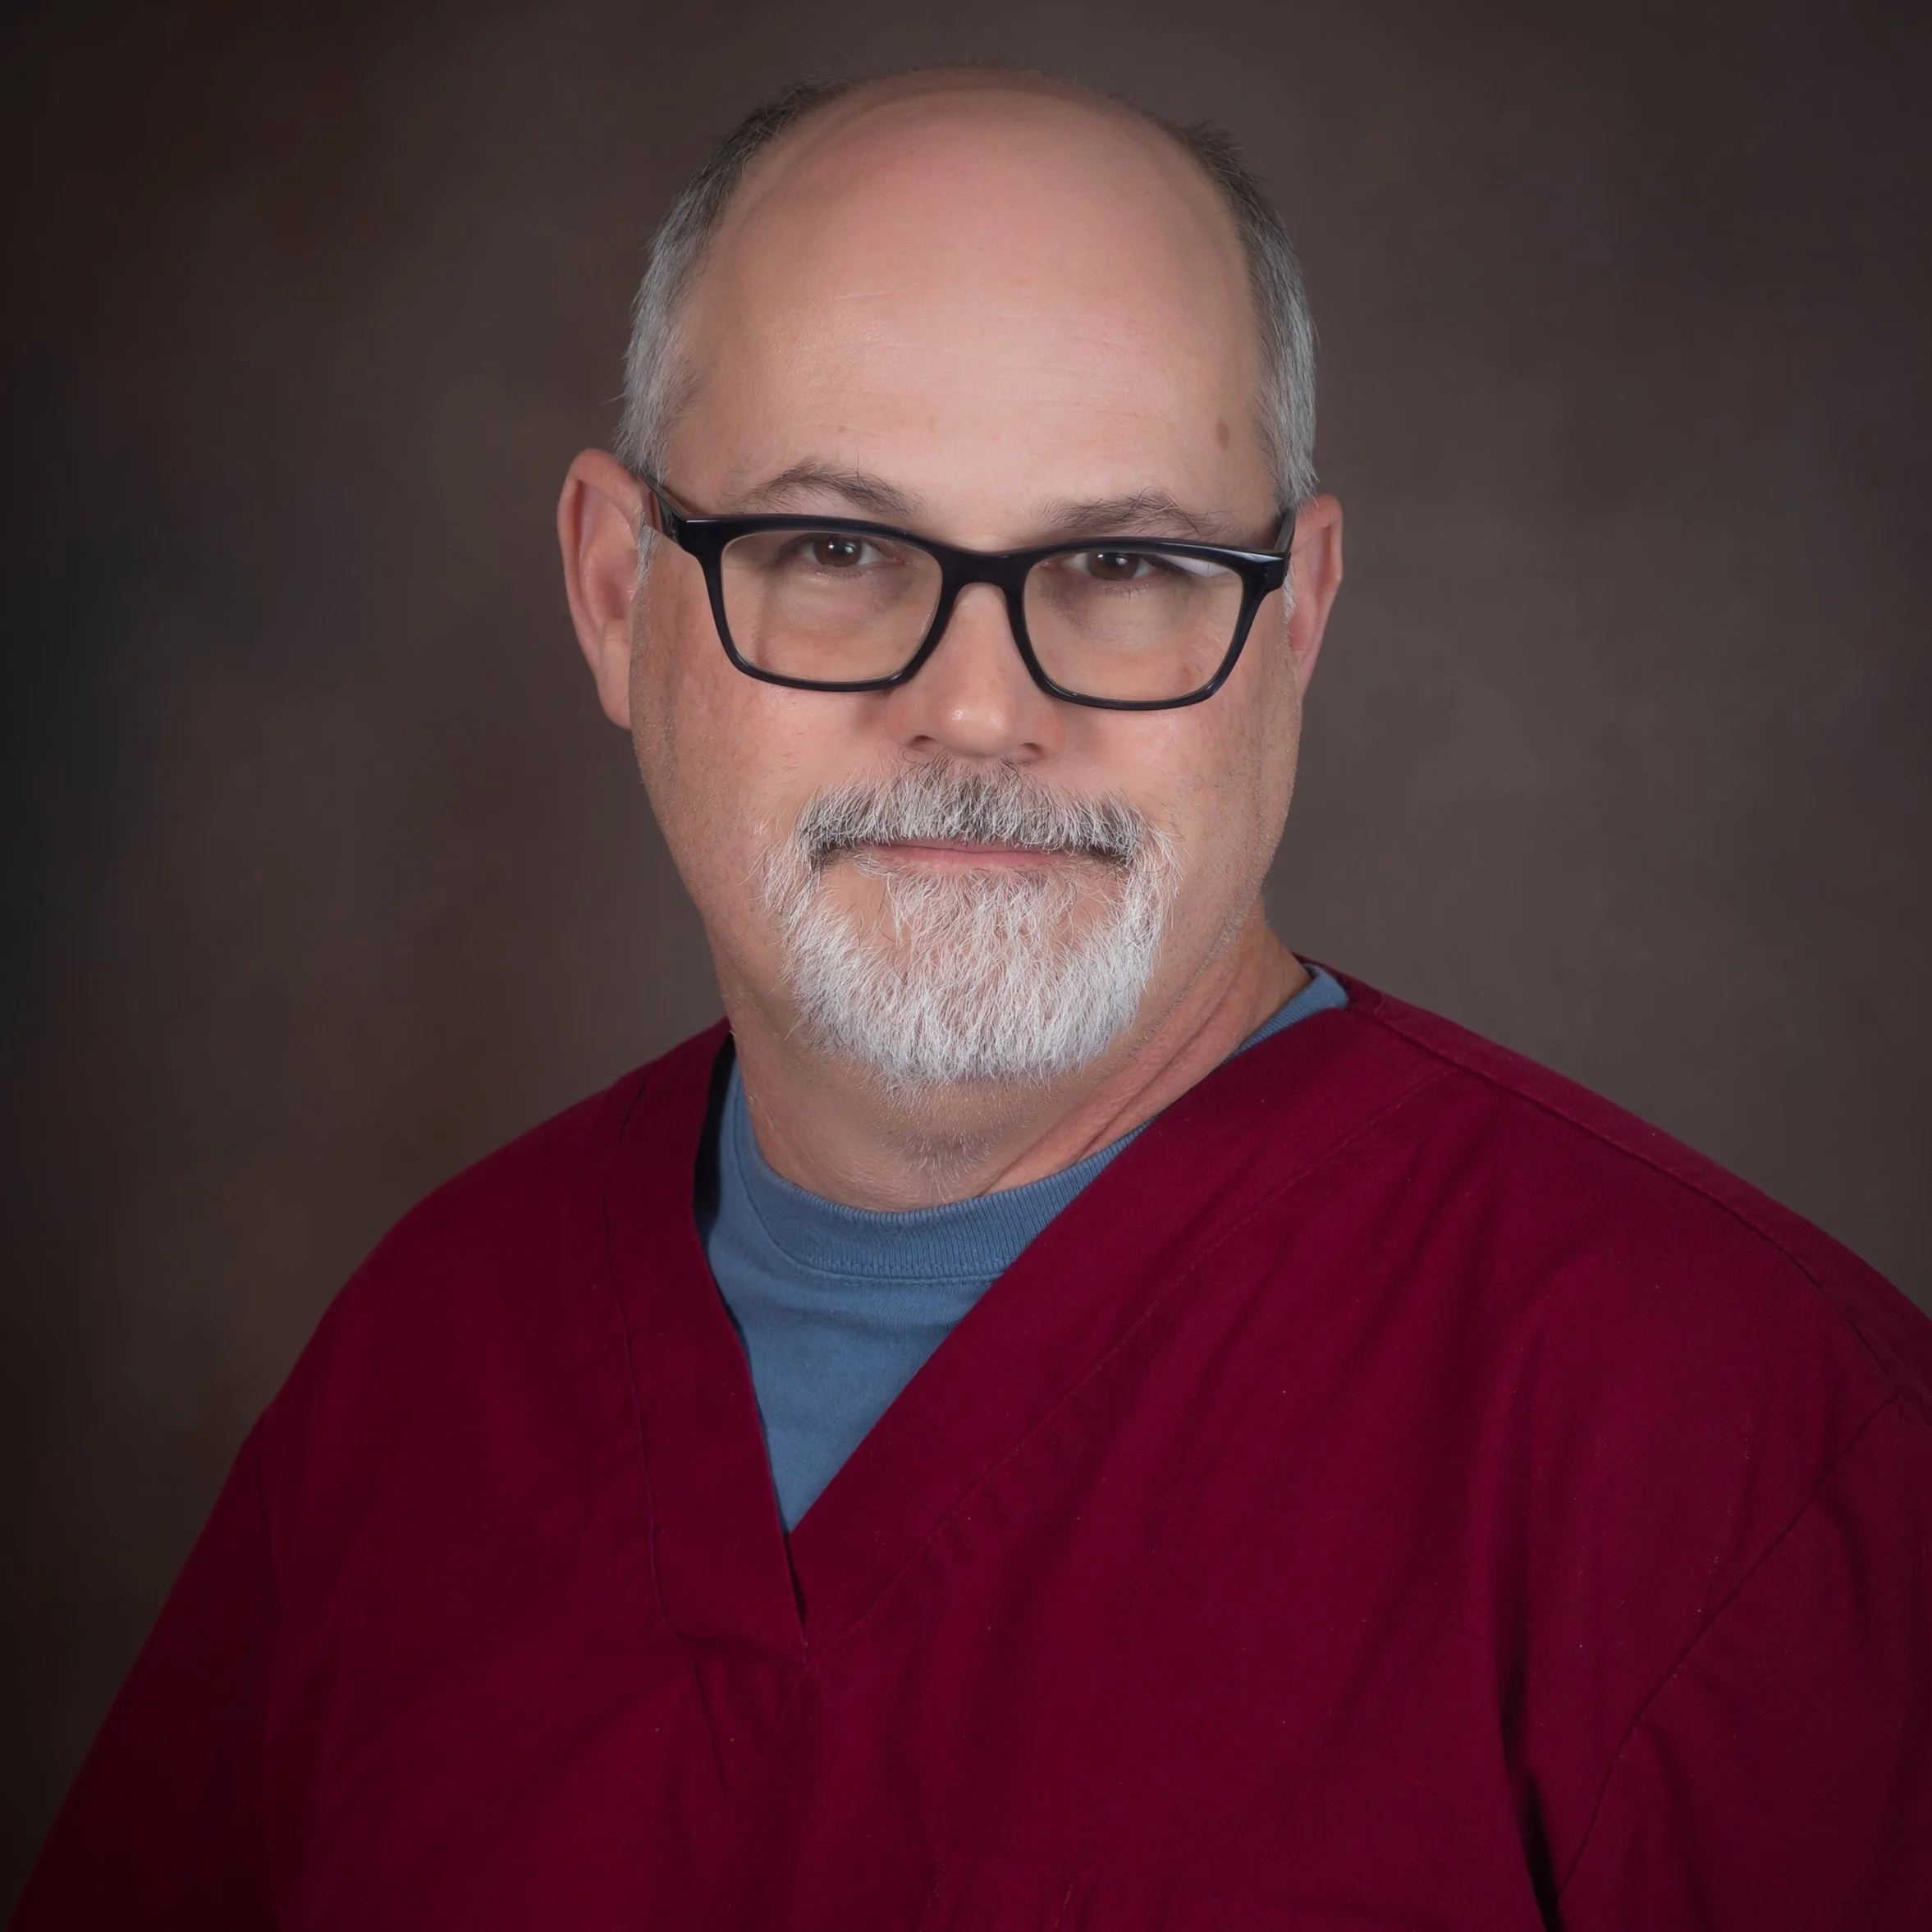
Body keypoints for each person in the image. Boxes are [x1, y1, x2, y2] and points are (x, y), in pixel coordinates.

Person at [15, 65, 1931, 1932]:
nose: (979, 707)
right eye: (834, 548)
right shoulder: (420, 1377)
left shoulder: (1747, 1465)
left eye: (1123, 560)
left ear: (1296, 619)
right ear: (615, 595)